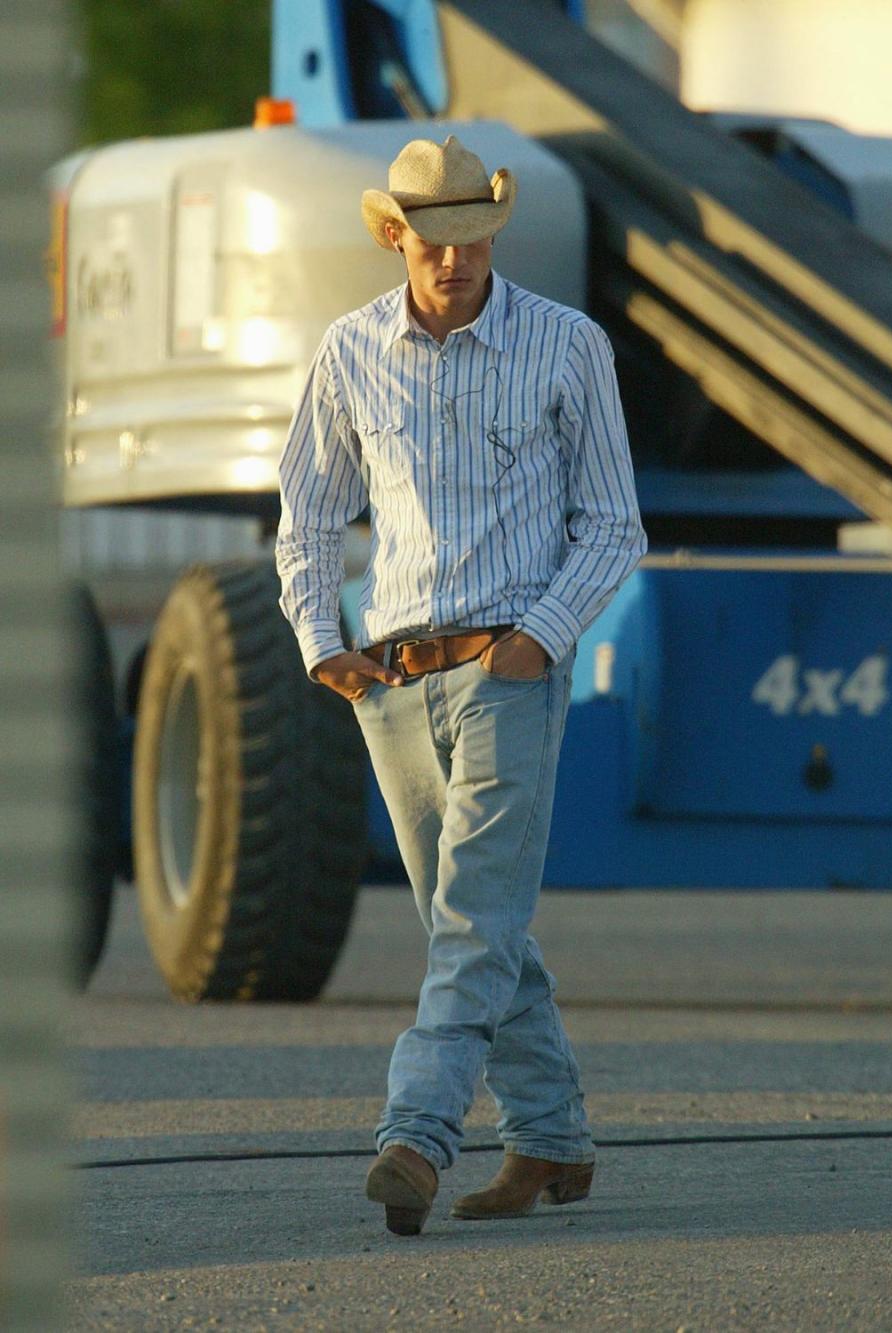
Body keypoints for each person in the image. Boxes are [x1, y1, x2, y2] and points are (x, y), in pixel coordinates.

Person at [276, 134, 646, 1236]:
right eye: (434, 243)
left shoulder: (568, 346)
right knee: (477, 924)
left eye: (474, 237)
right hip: (390, 680)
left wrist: (535, 638)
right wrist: (318, 639)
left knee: (474, 917)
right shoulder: (347, 354)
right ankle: (551, 1139)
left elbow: (614, 522)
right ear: (395, 237)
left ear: (496, 228)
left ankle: (415, 1135)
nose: (457, 260)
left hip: (505, 671)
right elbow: (306, 513)